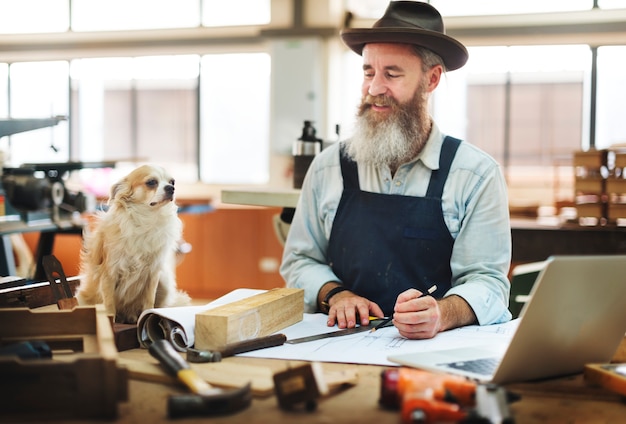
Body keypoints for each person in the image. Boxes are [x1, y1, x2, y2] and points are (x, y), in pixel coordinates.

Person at [280, 1, 512, 340]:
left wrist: (442, 313)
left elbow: (488, 282)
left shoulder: (475, 175)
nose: (374, 88)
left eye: (392, 74)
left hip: (436, 354)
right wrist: (336, 295)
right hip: (340, 347)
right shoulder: (328, 167)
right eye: (368, 72)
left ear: (431, 80)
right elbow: (299, 261)